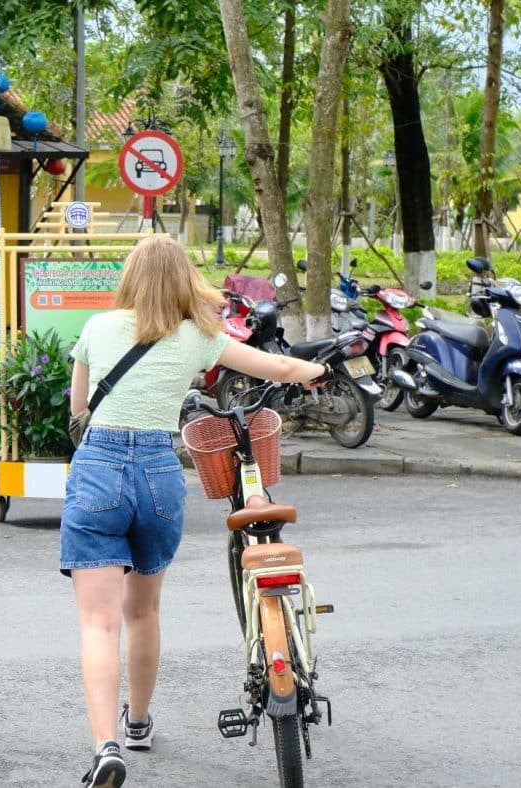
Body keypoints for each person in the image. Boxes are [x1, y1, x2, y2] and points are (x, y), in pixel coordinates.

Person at [64, 236, 327, 788]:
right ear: (183, 279)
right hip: (159, 472)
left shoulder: (97, 328)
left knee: (98, 621)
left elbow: (79, 409)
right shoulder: (199, 337)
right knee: (143, 612)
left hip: (98, 468)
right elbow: (272, 365)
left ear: (131, 277)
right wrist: (314, 374)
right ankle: (137, 722)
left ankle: (106, 748)